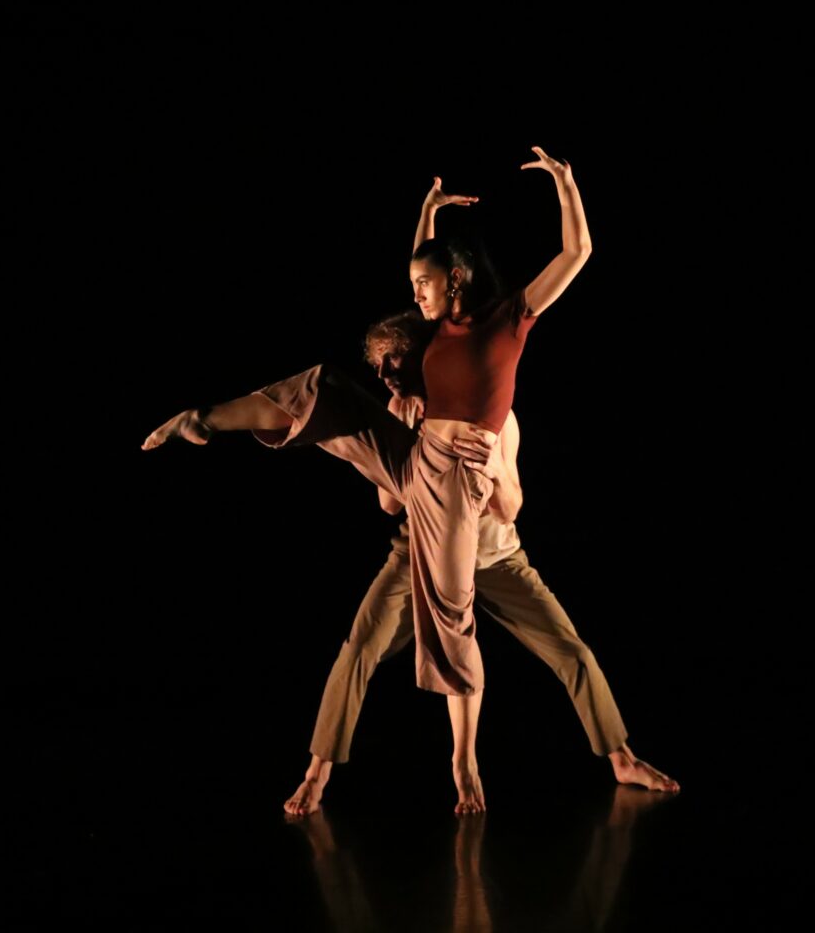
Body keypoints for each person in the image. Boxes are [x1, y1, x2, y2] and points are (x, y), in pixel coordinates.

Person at [144, 146, 591, 814]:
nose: (415, 295)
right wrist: (427, 213)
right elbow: (421, 265)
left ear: (457, 279)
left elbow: (577, 252)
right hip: (412, 456)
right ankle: (203, 419)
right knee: (323, 388)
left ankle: (463, 762)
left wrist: (564, 183)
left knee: (451, 617)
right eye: (413, 285)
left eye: (424, 284)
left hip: (454, 485)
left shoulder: (507, 322)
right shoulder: (431, 329)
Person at [281, 309, 680, 818]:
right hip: (420, 552)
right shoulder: (399, 409)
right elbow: (388, 505)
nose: (385, 374)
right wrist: (407, 443)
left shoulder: (496, 411)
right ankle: (316, 775)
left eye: (394, 361)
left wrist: (492, 467)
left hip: (495, 556)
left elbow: (511, 508)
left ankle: (622, 759)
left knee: (573, 652)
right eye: (379, 365)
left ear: (425, 358)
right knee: (358, 649)